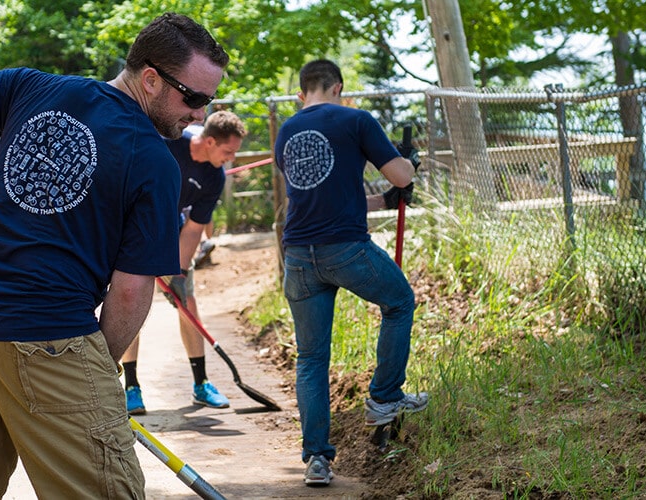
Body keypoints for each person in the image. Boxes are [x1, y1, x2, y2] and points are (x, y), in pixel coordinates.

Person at [0, 12, 228, 498]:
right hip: (51, 335)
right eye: (193, 98)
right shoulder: (153, 160)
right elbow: (131, 293)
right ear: (151, 79)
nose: (199, 114)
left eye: (208, 101)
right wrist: (95, 371)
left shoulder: (34, 88)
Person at [273, 59, 426, 487]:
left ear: (303, 93)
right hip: (345, 250)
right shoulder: (356, 119)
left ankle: (317, 460)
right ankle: (385, 398)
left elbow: (326, 192)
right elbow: (400, 173)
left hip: (299, 257)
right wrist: (406, 162)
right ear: (338, 86)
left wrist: (384, 202)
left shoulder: (287, 130)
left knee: (311, 358)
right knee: (399, 302)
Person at [120, 110, 247, 414]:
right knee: (130, 301)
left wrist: (177, 267)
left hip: (173, 229)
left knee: (187, 301)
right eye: (228, 151)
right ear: (210, 141)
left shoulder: (213, 176)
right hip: (134, 225)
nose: (231, 159)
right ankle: (131, 387)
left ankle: (201, 384)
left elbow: (193, 228)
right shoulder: (167, 143)